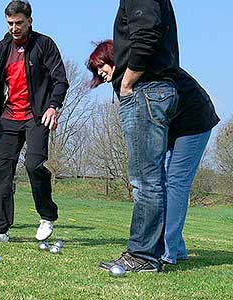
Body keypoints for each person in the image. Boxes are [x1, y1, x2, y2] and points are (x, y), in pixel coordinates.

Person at [87, 39, 219, 269]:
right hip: (171, 128)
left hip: (194, 122)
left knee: (176, 182)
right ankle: (177, 248)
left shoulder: (144, 69)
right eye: (96, 70)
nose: (100, 72)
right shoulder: (123, 82)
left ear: (113, 58)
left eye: (101, 65)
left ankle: (168, 251)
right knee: (160, 181)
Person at [0, 0, 69, 242]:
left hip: (38, 116)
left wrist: (54, 106)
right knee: (1, 171)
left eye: (19, 23)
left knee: (34, 165)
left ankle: (47, 216)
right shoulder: (1, 49)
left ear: (29, 21)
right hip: (10, 117)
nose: (14, 28)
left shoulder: (44, 45)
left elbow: (60, 79)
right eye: (10, 23)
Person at [92, 0, 181, 272]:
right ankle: (148, 253)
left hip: (146, 89)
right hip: (153, 89)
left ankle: (142, 256)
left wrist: (127, 81)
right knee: (150, 179)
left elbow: (146, 34)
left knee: (145, 180)